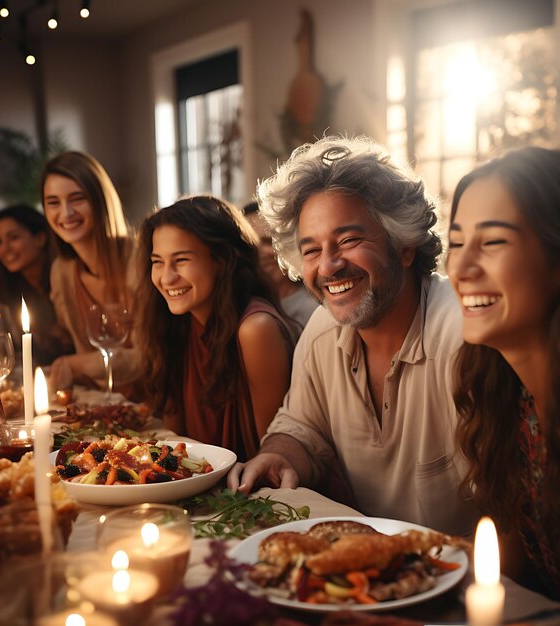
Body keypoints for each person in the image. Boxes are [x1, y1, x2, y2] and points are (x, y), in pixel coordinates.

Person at [228, 136, 477, 536]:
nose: (329, 266)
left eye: (348, 240)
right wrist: (278, 454)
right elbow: (302, 428)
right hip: (364, 571)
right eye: (311, 250)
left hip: (461, 578)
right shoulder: (323, 329)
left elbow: (511, 501)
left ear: (404, 246)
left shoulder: (461, 337)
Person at [445, 147, 560, 621]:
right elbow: (523, 547)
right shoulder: (507, 393)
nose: (460, 270)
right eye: (456, 243)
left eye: (494, 243)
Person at [134, 196, 298, 461]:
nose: (166, 277)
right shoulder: (175, 324)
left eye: (182, 260)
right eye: (157, 262)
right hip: (200, 483)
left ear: (223, 260)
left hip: (253, 493)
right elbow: (174, 439)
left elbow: (272, 453)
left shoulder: (255, 328)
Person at [40, 151, 142, 394]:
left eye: (77, 199)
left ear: (100, 201)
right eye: (53, 202)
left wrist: (76, 364)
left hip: (156, 404)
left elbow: (147, 358)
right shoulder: (62, 272)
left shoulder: (138, 258)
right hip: (102, 402)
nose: (66, 213)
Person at [0, 204, 73, 365]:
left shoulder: (65, 278)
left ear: (40, 238)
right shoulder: (11, 291)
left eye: (13, 238)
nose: (4, 248)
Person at [243, 201, 318, 328]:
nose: (261, 253)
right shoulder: (243, 309)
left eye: (269, 241)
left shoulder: (315, 310)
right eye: (251, 245)